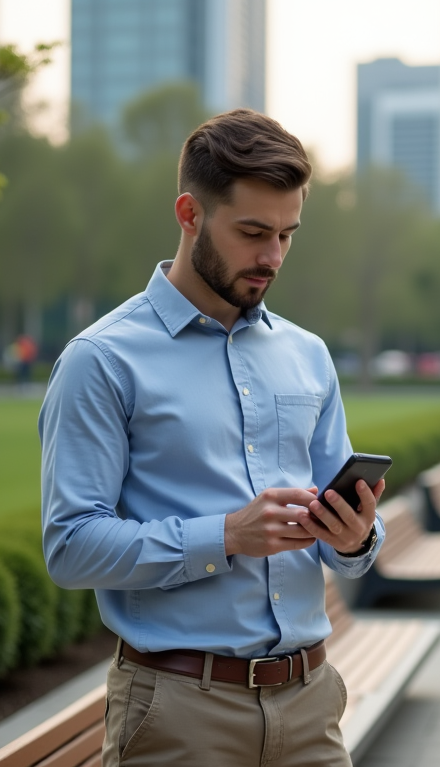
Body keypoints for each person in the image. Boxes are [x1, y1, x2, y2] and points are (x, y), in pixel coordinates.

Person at [39, 109, 385, 767]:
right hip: (178, 713)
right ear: (190, 214)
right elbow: (70, 546)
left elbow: (350, 541)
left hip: (312, 705)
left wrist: (356, 537)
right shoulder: (103, 360)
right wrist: (226, 535)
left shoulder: (308, 355)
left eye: (287, 234)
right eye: (253, 232)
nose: (272, 257)